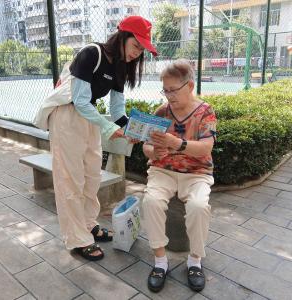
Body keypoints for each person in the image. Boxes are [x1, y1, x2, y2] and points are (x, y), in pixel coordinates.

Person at [47, 16, 157, 261]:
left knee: (92, 176)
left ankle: (88, 223)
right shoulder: (91, 54)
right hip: (67, 115)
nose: (137, 54)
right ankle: (78, 239)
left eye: (142, 50)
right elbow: (80, 101)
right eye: (136, 46)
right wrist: (108, 129)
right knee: (71, 180)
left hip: (90, 118)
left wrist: (133, 131)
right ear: (123, 36)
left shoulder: (120, 67)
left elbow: (118, 112)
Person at [141, 60, 217, 293]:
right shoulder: (161, 112)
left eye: (174, 90)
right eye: (165, 90)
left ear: (190, 85)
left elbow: (206, 148)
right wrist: (156, 151)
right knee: (151, 201)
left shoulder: (205, 111)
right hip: (163, 170)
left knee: (198, 206)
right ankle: (160, 261)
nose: (169, 95)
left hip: (196, 173)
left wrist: (177, 143)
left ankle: (195, 260)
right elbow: (146, 146)